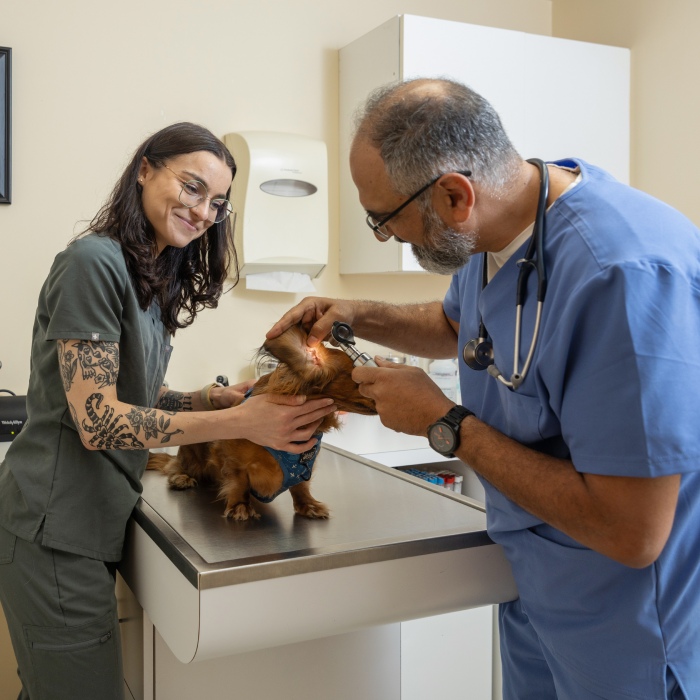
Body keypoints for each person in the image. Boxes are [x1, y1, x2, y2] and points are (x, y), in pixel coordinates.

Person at [267, 78, 700, 699]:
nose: (387, 237)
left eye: (385, 220)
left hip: (623, 623)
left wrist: (445, 423)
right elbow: (460, 325)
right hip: (534, 586)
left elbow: (631, 532)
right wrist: (360, 312)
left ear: (453, 194)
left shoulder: (624, 277)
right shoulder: (491, 230)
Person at [0, 122, 336, 700]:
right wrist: (241, 422)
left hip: (92, 522)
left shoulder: (147, 279)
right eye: (192, 187)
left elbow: (136, 393)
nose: (205, 210)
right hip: (52, 528)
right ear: (145, 169)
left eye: (219, 202)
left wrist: (213, 400)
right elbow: (99, 418)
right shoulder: (91, 263)